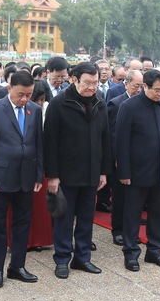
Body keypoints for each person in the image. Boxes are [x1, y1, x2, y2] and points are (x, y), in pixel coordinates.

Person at [44, 62, 111, 279]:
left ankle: (82, 258)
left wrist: (103, 171)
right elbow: (50, 142)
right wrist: (52, 175)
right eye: (87, 83)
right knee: (64, 218)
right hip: (66, 174)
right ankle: (62, 258)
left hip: (91, 172)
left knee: (86, 217)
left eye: (96, 82)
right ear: (74, 79)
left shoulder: (100, 101)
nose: (92, 87)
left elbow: (105, 139)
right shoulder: (59, 103)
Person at [0, 70, 44, 288]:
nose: (24, 99)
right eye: (20, 94)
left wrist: (38, 174)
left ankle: (17, 265)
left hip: (26, 177)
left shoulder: (34, 110)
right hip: (0, 177)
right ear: (9, 89)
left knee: (22, 223)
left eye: (29, 94)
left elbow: (38, 144)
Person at [115, 69, 160, 271]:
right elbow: (121, 143)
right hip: (137, 172)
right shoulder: (129, 107)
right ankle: (131, 252)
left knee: (159, 213)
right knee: (132, 214)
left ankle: (155, 250)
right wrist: (124, 173)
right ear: (145, 86)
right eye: (157, 90)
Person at [106, 69, 144, 246]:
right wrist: (117, 158)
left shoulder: (145, 103)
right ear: (126, 84)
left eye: (142, 86)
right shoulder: (116, 103)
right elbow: (113, 135)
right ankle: (118, 229)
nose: (139, 90)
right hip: (121, 159)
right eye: (136, 86)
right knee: (120, 198)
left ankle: (131, 231)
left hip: (139, 160)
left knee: (135, 199)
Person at [23, 81, 54, 251]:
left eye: (42, 99)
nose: (40, 103)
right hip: (25, 162)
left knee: (40, 206)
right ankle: (25, 240)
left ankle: (38, 240)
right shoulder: (24, 109)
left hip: (42, 163)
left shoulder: (48, 108)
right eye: (37, 99)